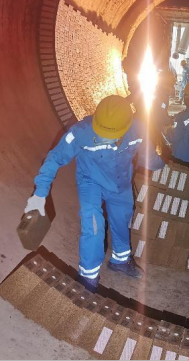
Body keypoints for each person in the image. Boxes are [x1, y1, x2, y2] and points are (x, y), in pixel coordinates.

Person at [24, 96, 165, 293]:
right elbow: (54, 159)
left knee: (122, 220)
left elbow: (149, 157)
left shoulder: (139, 129)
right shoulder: (80, 131)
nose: (105, 138)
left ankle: (120, 260)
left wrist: (163, 164)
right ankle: (88, 278)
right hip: (91, 182)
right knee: (93, 226)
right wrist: (39, 195)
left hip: (120, 182)